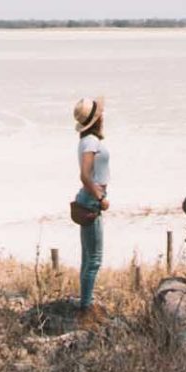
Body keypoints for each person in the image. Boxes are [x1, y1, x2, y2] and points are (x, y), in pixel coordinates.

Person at [72, 96, 109, 323]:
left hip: (88, 197)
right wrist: (100, 197)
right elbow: (85, 176)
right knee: (94, 259)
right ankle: (85, 311)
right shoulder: (91, 142)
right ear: (95, 120)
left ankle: (85, 304)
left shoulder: (87, 141)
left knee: (88, 257)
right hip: (91, 199)